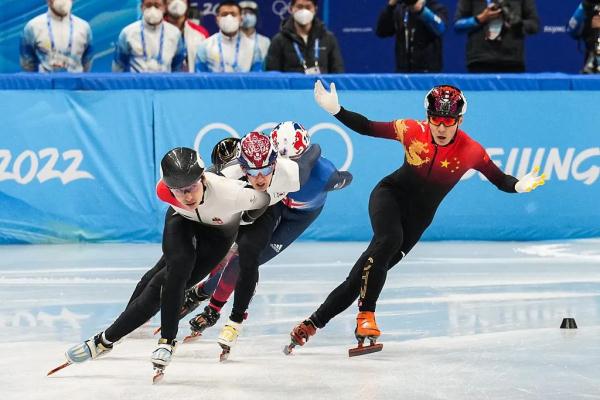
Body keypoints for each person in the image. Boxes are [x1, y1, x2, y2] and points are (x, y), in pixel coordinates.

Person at [287, 81, 546, 353]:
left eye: (449, 121)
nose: (441, 128)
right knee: (389, 240)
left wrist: (518, 185)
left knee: (362, 277)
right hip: (390, 196)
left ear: (460, 120)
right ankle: (366, 317)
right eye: (436, 119)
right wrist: (336, 110)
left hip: (417, 220)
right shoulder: (411, 130)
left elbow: (499, 179)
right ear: (427, 117)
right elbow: (368, 127)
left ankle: (312, 324)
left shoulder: (471, 150)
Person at [59, 147, 270, 377]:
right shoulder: (163, 191)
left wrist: (245, 219)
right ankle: (118, 341)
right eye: (179, 191)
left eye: (192, 188)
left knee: (171, 282)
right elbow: (181, 200)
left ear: (203, 178)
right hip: (182, 220)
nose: (187, 197)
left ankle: (111, 339)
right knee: (172, 272)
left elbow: (264, 199)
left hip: (219, 235)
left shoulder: (231, 193)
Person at [184, 122, 353, 339]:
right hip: (275, 203)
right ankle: (206, 298)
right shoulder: (266, 163)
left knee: (247, 259)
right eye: (281, 161)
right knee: (237, 252)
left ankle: (206, 298)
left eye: (294, 161)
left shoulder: (325, 175)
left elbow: (346, 178)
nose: (287, 167)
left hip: (299, 217)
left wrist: (334, 174)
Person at [454, 0, 539, 73]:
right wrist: (481, 18)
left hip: (512, 60)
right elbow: (458, 25)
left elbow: (534, 25)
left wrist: (519, 24)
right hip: (480, 60)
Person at [265, 0, 344, 74]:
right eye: (299, 7)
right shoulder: (279, 40)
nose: (304, 11)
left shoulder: (328, 38)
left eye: (308, 7)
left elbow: (337, 72)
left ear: (315, 10)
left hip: (320, 84)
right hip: (293, 85)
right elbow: (273, 75)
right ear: (291, 9)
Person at [20, 0, 93, 72]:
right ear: (48, 1)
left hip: (76, 79)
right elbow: (27, 62)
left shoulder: (84, 27)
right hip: (45, 79)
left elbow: (87, 61)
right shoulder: (33, 26)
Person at [113, 0, 185, 73]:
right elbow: (119, 65)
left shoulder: (175, 34)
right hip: (136, 80)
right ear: (141, 7)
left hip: (164, 80)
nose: (152, 10)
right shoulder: (128, 33)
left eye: (157, 6)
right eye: (148, 5)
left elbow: (177, 67)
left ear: (164, 8)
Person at [375, 0, 447, 73]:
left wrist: (422, 11)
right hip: (403, 72)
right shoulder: (400, 10)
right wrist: (390, 6)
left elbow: (440, 29)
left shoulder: (436, 7)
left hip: (428, 73)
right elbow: (382, 32)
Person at [195, 1, 265, 72]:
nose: (229, 18)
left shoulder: (253, 47)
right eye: (224, 14)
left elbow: (257, 76)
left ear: (241, 19)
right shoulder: (205, 46)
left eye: (233, 14)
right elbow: (199, 76)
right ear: (217, 19)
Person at [164, 0, 209, 72]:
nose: (177, 1)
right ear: (164, 4)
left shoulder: (201, 33)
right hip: (162, 78)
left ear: (187, 3)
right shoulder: (156, 31)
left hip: (193, 78)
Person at [568, 0, 600, 73]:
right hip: (591, 62)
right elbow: (571, 28)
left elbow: (571, 28)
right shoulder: (586, 5)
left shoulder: (586, 5)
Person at [239, 1, 271, 67]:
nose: (247, 16)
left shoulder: (265, 42)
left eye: (251, 13)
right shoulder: (232, 40)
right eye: (244, 13)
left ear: (256, 16)